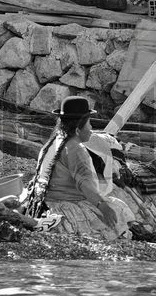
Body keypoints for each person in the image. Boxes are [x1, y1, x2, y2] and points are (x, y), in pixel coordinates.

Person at [24, 96, 127, 239]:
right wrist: (102, 206)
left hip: (40, 203)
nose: (91, 129)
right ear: (78, 129)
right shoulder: (76, 149)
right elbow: (85, 184)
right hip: (63, 206)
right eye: (89, 124)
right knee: (118, 209)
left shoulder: (53, 142)